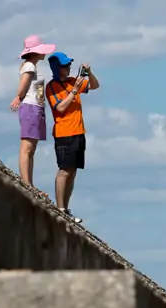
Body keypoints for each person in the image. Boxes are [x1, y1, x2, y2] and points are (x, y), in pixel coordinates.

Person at [45, 51, 100, 223]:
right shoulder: (51, 87)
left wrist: (89, 73)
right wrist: (73, 92)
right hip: (64, 133)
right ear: (57, 68)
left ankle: (66, 208)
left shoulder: (72, 81)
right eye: (64, 66)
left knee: (73, 171)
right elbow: (60, 108)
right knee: (64, 170)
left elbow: (95, 86)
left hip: (78, 132)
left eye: (69, 65)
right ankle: (59, 208)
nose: (68, 68)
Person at [10, 35, 56, 197]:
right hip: (30, 107)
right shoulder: (29, 66)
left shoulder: (31, 66)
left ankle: (29, 182)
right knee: (27, 147)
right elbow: (23, 86)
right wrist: (18, 96)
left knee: (31, 148)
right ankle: (26, 183)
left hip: (35, 107)